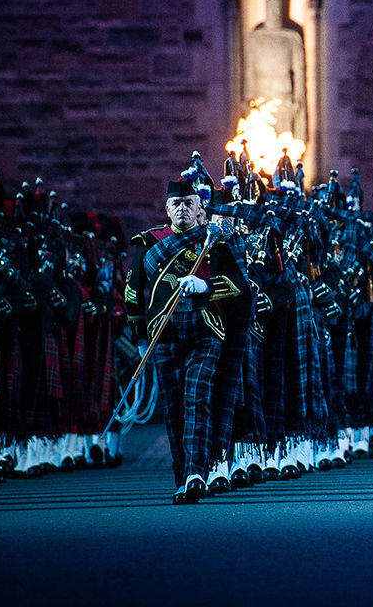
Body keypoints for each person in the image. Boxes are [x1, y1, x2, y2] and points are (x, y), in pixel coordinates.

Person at [125, 178, 249, 504]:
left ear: (200, 208)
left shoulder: (217, 241)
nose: (182, 209)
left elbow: (240, 284)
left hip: (205, 330)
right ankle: (183, 476)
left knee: (197, 400)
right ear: (167, 208)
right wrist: (139, 338)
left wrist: (206, 287)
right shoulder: (151, 242)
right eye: (176, 204)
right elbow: (133, 291)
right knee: (175, 409)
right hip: (163, 335)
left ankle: (197, 472)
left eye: (189, 203)